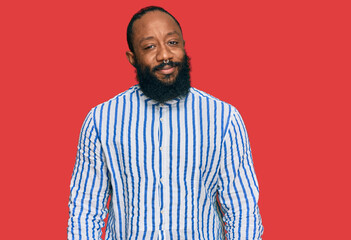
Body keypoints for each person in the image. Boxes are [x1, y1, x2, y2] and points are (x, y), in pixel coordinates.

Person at [67, 6, 263, 240]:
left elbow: (243, 211)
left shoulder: (223, 119)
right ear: (132, 58)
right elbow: (85, 211)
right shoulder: (101, 121)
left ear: (183, 45)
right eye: (150, 47)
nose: (165, 55)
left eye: (172, 43)